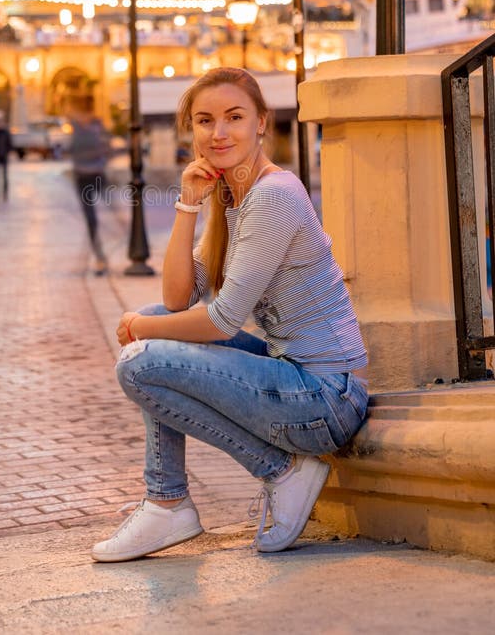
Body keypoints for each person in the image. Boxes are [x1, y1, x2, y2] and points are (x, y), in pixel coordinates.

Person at [91, 67, 368, 563]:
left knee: (140, 361)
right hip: (294, 380)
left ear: (262, 122)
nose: (218, 133)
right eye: (204, 120)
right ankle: (167, 502)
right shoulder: (233, 196)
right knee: (154, 325)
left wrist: (140, 330)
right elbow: (178, 298)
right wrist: (187, 204)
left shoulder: (274, 195)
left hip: (325, 398)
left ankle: (272, 472)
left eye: (234, 117)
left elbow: (219, 322)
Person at [69, 101, 111, 275]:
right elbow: (72, 151)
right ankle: (99, 257)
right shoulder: (76, 131)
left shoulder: (97, 128)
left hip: (97, 176)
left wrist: (99, 157)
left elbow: (107, 149)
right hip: (82, 178)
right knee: (91, 219)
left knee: (113, 215)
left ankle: (111, 252)